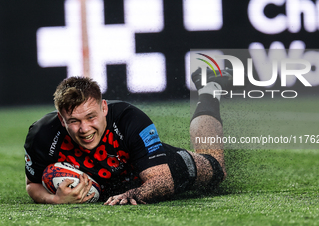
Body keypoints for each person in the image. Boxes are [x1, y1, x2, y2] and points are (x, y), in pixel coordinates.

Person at [24, 68, 232, 205]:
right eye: (74, 121)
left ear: (103, 108)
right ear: (62, 120)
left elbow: (163, 181)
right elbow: (32, 184)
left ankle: (208, 90)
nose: (84, 128)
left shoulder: (129, 119)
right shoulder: (41, 136)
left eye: (90, 117)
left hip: (145, 169)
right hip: (111, 180)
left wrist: (133, 194)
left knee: (216, 169)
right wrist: (55, 200)